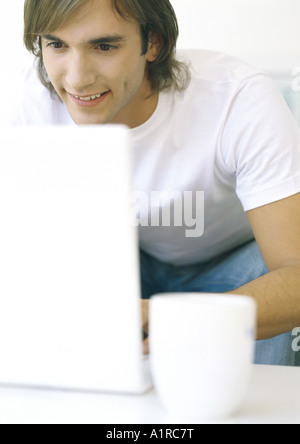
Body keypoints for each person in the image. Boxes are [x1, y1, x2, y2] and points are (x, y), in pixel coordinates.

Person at [7, 0, 300, 365]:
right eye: (57, 45)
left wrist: (184, 319)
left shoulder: (236, 98)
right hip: (127, 264)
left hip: (234, 266)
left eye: (104, 46)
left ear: (154, 43)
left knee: (267, 280)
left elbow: (295, 275)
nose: (77, 78)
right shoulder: (30, 104)